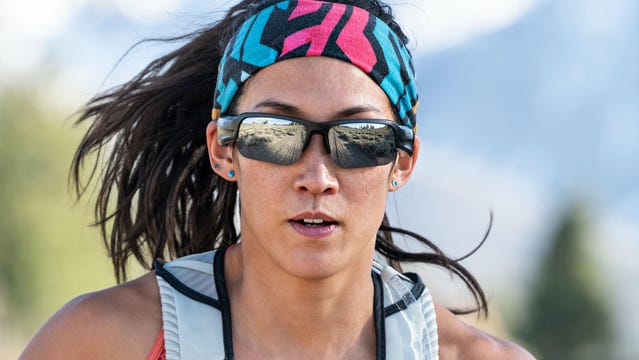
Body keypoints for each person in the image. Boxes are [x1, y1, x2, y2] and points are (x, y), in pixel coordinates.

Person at [20, 0, 534, 358]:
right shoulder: (102, 344)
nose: (317, 176)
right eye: (274, 132)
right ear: (224, 149)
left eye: (357, 137)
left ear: (401, 160)